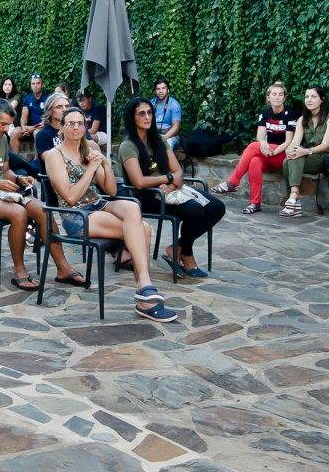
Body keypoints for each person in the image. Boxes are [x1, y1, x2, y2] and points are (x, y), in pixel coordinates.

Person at [43, 109, 178, 321]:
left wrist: (105, 164)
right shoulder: (54, 155)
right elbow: (69, 197)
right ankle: (145, 294)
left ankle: (145, 289)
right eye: (70, 123)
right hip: (76, 215)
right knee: (143, 229)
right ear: (62, 127)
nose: (76, 127)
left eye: (80, 123)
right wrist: (91, 168)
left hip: (98, 204)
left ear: (85, 126)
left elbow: (112, 191)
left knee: (132, 208)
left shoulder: (89, 150)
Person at [0, 99, 81, 291]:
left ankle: (63, 268)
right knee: (18, 213)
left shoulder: (1, 138)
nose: (6, 129)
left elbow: (5, 170)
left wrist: (19, 179)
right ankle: (19, 270)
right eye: (3, 124)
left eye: (8, 125)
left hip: (0, 193)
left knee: (42, 209)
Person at [118, 96, 224, 278]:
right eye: (141, 113)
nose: (147, 117)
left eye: (149, 112)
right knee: (194, 210)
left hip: (170, 190)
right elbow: (139, 182)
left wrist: (173, 183)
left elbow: (178, 171)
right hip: (146, 196)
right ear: (132, 118)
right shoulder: (128, 146)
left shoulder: (159, 140)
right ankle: (186, 254)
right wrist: (168, 178)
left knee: (217, 207)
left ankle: (178, 247)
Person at [216, 82, 301, 214]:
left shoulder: (290, 113)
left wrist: (273, 151)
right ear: (268, 97)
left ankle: (232, 182)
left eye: (280, 94)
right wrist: (263, 143)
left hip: (283, 154)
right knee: (254, 162)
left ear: (284, 98)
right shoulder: (265, 112)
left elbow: (289, 141)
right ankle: (255, 203)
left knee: (252, 146)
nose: (277, 97)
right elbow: (260, 137)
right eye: (274, 94)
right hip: (268, 153)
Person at [277, 87, 329, 218]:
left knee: (296, 158)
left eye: (313, 97)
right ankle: (293, 200)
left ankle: (294, 199)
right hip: (309, 156)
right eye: (307, 97)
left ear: (322, 99)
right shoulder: (303, 119)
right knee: (287, 161)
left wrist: (305, 151)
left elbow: (325, 144)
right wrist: (290, 150)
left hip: (326, 157)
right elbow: (295, 142)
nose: (309, 100)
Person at [151, 79, 184, 153]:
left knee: (166, 144)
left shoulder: (174, 104)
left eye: (163, 88)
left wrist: (163, 138)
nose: (161, 91)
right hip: (154, 134)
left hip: (170, 136)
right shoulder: (151, 103)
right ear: (155, 91)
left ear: (168, 90)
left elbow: (176, 128)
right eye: (158, 89)